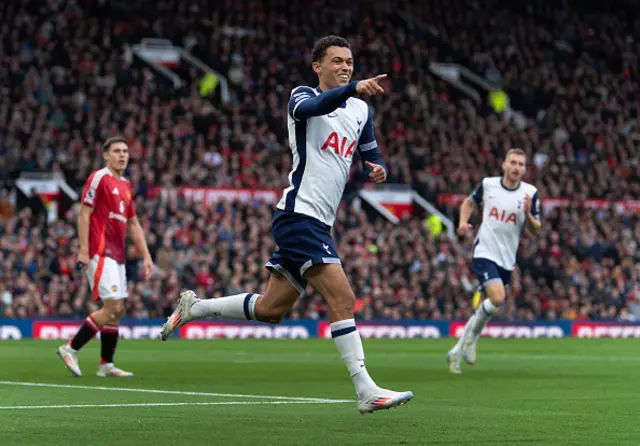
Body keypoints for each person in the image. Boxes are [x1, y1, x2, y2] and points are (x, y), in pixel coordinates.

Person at [161, 35, 413, 413]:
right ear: (318, 67)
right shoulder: (302, 96)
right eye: (337, 61)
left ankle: (196, 308)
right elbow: (317, 107)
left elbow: (370, 154)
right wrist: (350, 88)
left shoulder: (360, 110)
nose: (346, 67)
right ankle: (365, 390)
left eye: (349, 62)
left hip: (320, 222)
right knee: (342, 298)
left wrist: (376, 170)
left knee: (270, 309)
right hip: (299, 216)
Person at [57, 136, 153, 377]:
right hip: (100, 252)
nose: (122, 155)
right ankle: (70, 348)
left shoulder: (126, 186)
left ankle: (106, 365)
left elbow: (133, 224)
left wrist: (147, 256)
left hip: (118, 256)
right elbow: (84, 213)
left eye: (125, 151)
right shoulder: (99, 177)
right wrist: (83, 249)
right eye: (117, 151)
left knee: (117, 310)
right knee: (112, 306)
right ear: (106, 155)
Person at [447, 148, 542, 374]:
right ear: (504, 165)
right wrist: (462, 222)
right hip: (484, 251)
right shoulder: (489, 185)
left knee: (492, 303)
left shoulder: (530, 193)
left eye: (521, 164)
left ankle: (457, 350)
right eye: (513, 162)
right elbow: (469, 203)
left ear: (524, 169)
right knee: (498, 297)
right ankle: (472, 337)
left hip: (507, 259)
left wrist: (528, 214)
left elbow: (535, 229)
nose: (517, 167)